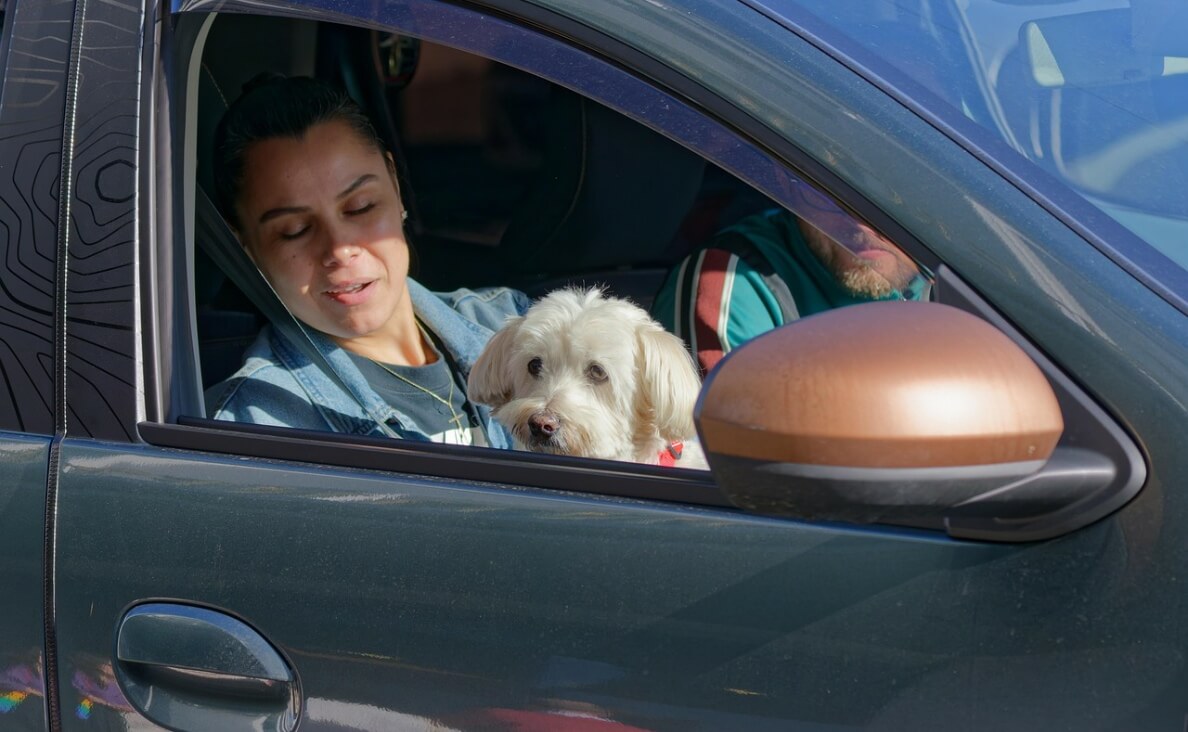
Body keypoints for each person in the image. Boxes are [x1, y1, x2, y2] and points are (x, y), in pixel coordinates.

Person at [204, 74, 529, 447]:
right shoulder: (259, 424)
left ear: (394, 183)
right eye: (294, 230)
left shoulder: (516, 326)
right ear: (244, 247)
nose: (340, 249)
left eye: (361, 207)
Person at [652, 192, 931, 374]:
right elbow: (740, 449)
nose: (863, 223)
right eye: (835, 192)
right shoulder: (734, 279)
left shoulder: (955, 268)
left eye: (891, 196)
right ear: (789, 181)